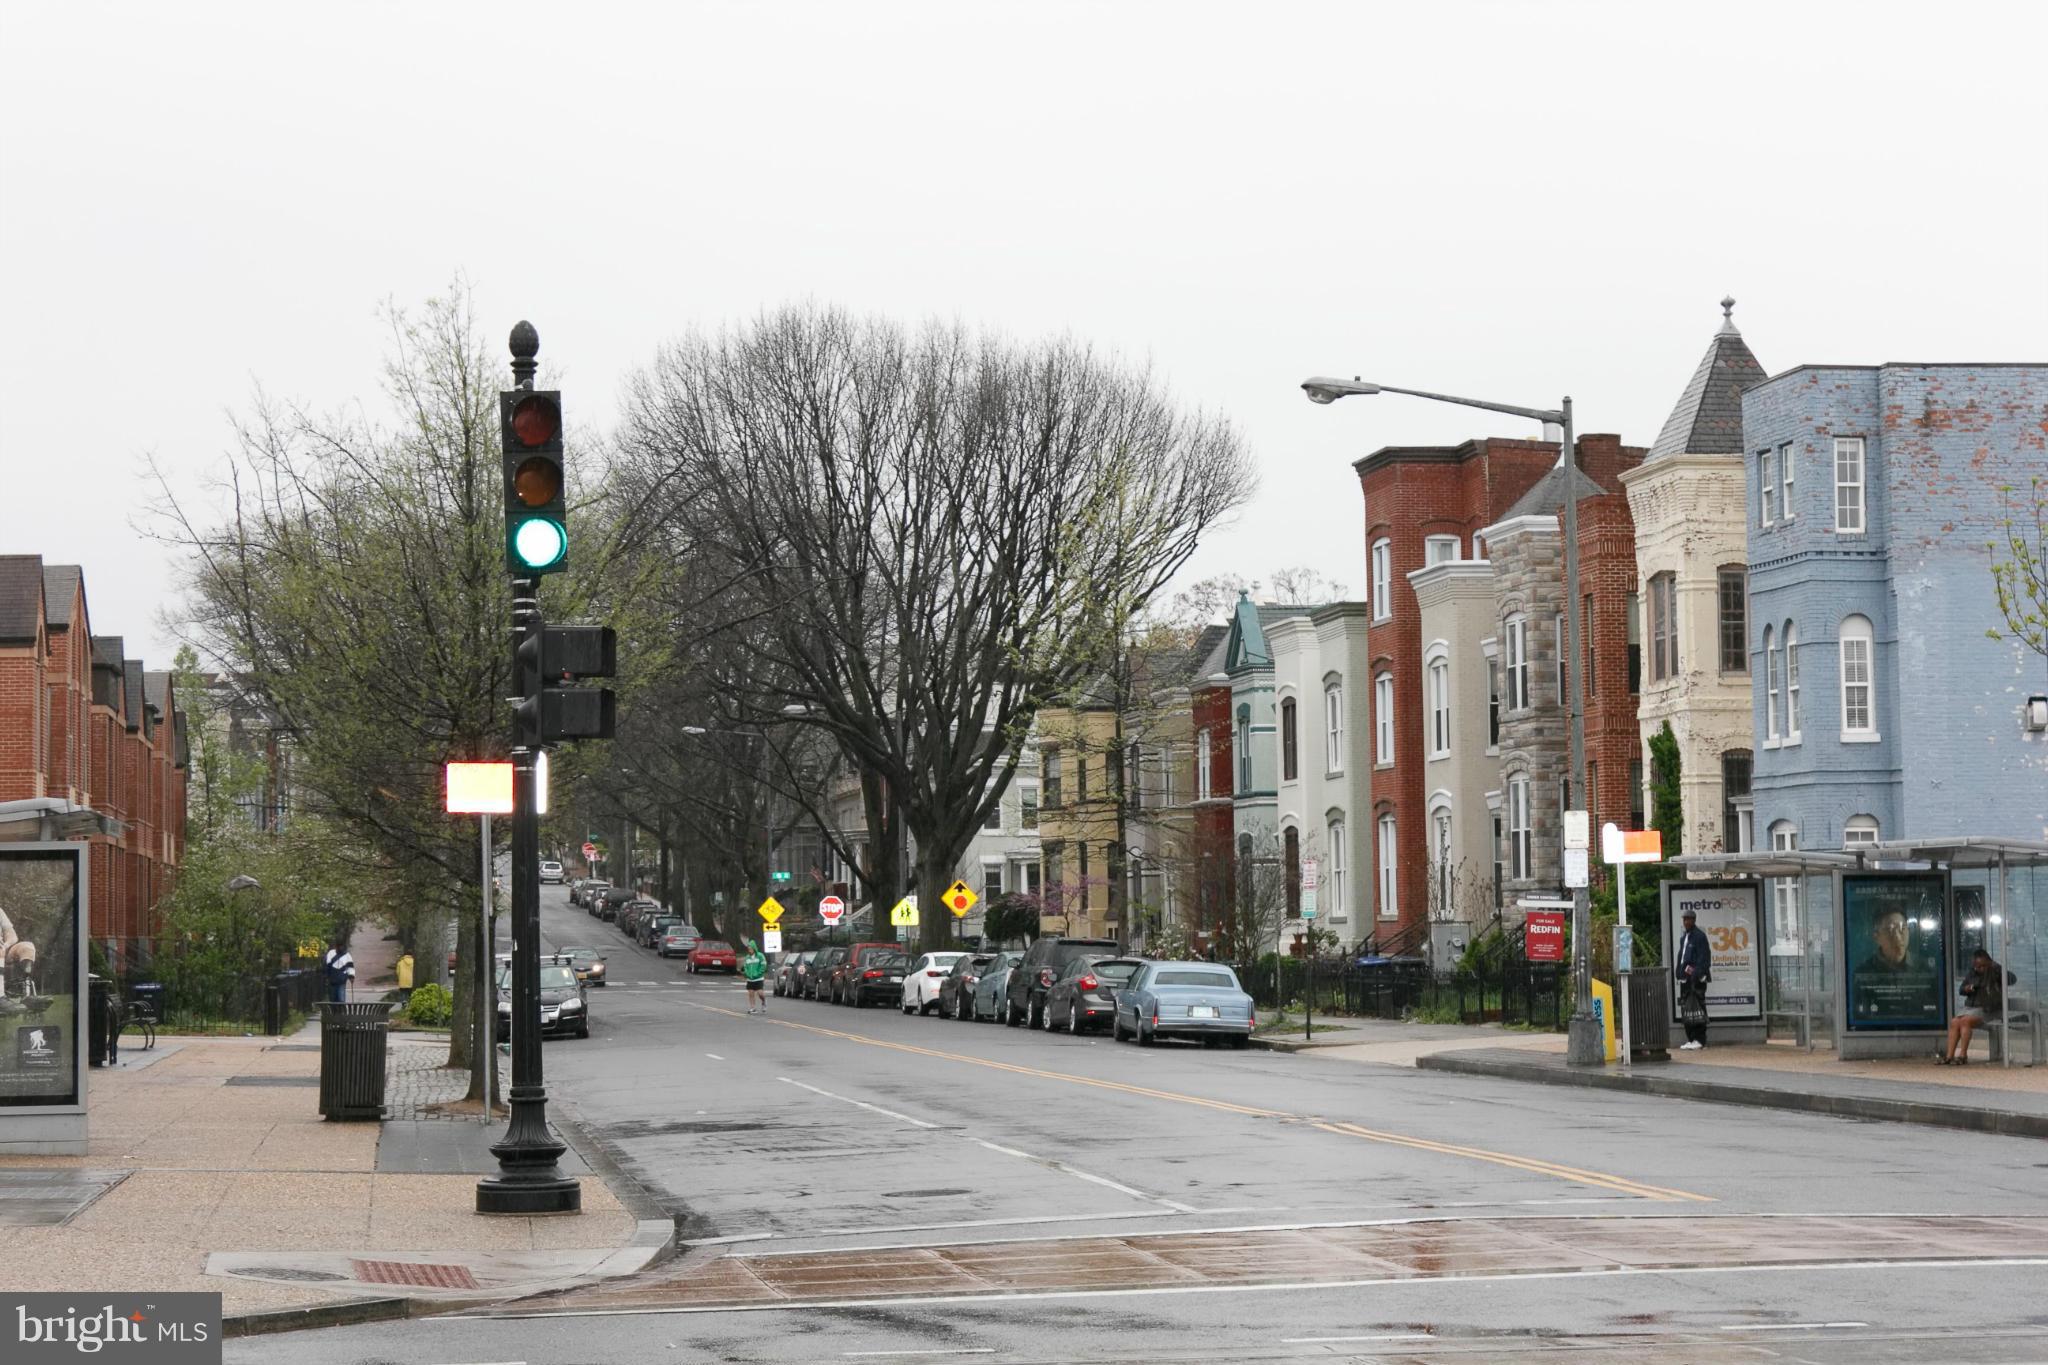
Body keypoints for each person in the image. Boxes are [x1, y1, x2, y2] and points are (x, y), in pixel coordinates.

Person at [1940, 947, 2008, 1065]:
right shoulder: (1972, 973)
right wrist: (1967, 989)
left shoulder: (1995, 972)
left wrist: (1995, 966)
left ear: (1988, 963)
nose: (1978, 968)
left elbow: (2011, 979)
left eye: (1981, 965)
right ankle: (1949, 1055)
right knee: (1955, 1022)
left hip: (1987, 1008)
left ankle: (1963, 1055)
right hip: (1970, 1008)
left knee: (1965, 1021)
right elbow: (1961, 989)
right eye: (1976, 965)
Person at [1674, 908, 1712, 1050]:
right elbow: (1682, 957)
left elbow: (1705, 958)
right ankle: (1690, 1038)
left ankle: (1700, 1039)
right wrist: (1679, 973)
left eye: (1688, 919)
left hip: (1696, 980)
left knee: (1698, 1008)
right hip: (1685, 980)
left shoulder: (1699, 936)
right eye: (1684, 919)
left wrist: (1696, 974)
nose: (1685, 922)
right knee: (1686, 1008)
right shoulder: (1684, 937)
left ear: (1693, 920)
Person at [323, 937, 355, 1003]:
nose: (341, 948)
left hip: (342, 980)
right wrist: (326, 976)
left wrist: (351, 976)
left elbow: (350, 966)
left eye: (342, 946)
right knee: (333, 999)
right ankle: (334, 1012)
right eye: (339, 946)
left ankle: (341, 1012)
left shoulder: (347, 955)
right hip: (332, 979)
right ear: (336, 946)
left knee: (341, 999)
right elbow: (327, 965)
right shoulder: (331, 953)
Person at [740, 938, 768, 1014]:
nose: (749, 950)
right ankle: (753, 1008)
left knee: (760, 993)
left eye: (751, 948)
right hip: (750, 979)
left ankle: (764, 1002)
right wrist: (747, 974)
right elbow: (745, 967)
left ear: (754, 948)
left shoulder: (760, 956)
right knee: (751, 993)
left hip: (758, 978)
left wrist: (758, 974)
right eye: (748, 949)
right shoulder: (747, 957)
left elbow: (763, 966)